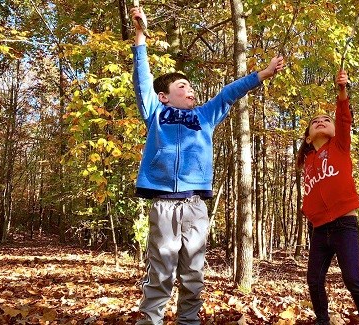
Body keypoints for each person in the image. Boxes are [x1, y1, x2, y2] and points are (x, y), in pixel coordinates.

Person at [129, 7, 284, 325]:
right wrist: (140, 37)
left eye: (191, 87)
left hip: (196, 207)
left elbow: (229, 93)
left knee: (193, 275)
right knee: (160, 273)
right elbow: (142, 81)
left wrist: (263, 74)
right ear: (164, 96)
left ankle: (189, 321)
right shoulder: (155, 114)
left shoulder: (204, 117)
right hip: (163, 205)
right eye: (182, 87)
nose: (191, 90)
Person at [296, 70, 359, 325]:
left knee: (352, 277)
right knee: (314, 279)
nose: (321, 120)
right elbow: (312, 190)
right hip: (319, 229)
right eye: (315, 120)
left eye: (325, 119)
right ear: (308, 137)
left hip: (344, 225)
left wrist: (342, 92)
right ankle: (322, 320)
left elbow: (343, 119)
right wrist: (307, 208)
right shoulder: (307, 160)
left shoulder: (340, 146)